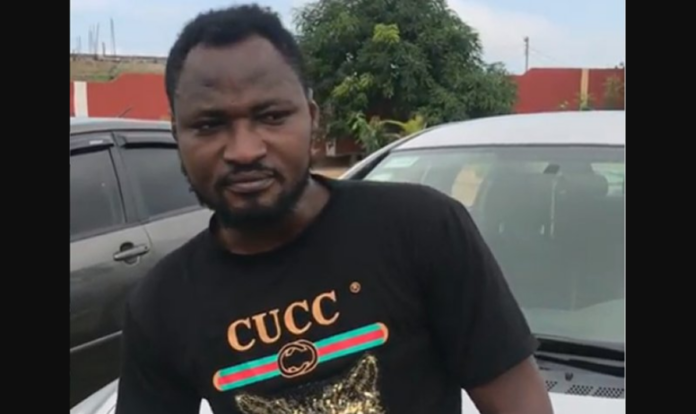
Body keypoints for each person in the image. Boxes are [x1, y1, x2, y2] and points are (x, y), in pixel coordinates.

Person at [114, 4, 553, 414]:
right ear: (177, 136)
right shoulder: (161, 306)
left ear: (312, 118)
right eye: (210, 125)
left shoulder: (422, 229)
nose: (245, 150)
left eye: (271, 116)